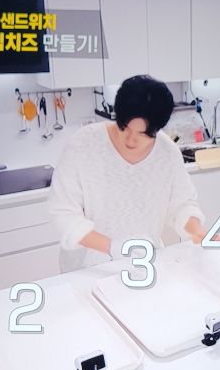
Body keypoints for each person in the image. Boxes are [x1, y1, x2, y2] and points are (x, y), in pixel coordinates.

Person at [47, 75, 206, 272]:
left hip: (144, 265)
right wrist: (113, 248)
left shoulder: (167, 153)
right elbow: (63, 213)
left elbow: (182, 204)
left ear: (157, 129)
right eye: (124, 128)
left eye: (143, 134)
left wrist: (196, 230)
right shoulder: (83, 145)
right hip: (86, 270)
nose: (130, 140)